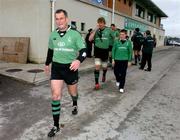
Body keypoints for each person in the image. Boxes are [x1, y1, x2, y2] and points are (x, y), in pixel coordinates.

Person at [44, 9, 86, 137]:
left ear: (66, 19)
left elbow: (84, 50)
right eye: (57, 19)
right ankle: (56, 126)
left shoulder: (75, 34)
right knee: (55, 96)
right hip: (56, 68)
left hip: (70, 69)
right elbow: (50, 50)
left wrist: (79, 60)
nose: (59, 21)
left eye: (61, 18)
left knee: (73, 93)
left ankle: (74, 102)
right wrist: (47, 63)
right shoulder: (53, 35)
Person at [89, 17, 111, 90]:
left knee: (104, 67)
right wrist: (95, 30)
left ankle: (104, 74)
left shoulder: (108, 30)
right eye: (99, 22)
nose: (100, 24)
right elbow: (90, 39)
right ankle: (96, 83)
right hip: (97, 51)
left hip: (105, 51)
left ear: (104, 23)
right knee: (97, 67)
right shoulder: (96, 31)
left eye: (101, 22)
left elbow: (115, 38)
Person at [112, 29, 133, 93]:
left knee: (123, 74)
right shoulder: (116, 41)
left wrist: (129, 61)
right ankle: (118, 80)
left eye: (123, 34)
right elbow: (113, 50)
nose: (121, 36)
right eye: (120, 34)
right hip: (117, 60)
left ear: (125, 35)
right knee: (116, 72)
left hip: (125, 60)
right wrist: (113, 59)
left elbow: (130, 52)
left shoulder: (128, 42)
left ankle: (121, 87)